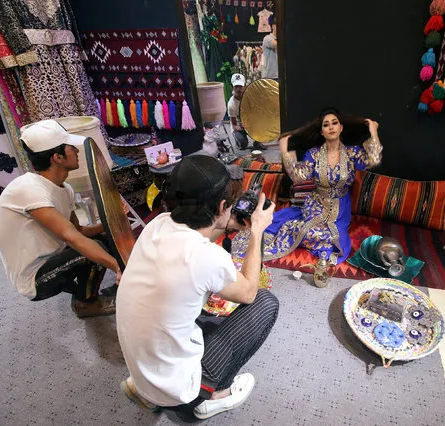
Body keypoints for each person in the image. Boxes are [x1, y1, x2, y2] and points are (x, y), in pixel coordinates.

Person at [116, 155, 279, 419]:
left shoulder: (156, 225)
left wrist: (229, 223)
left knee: (195, 309)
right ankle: (214, 396)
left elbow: (197, 239)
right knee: (265, 303)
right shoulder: (208, 258)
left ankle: (148, 392)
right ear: (223, 205)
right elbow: (249, 292)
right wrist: (256, 230)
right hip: (178, 390)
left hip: (141, 373)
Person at [233, 108, 382, 288]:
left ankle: (312, 239)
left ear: (341, 127)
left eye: (334, 123)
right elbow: (298, 176)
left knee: (334, 239)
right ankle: (296, 234)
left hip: (340, 208)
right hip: (316, 204)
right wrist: (283, 148)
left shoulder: (351, 153)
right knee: (306, 230)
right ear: (321, 131)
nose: (331, 127)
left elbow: (373, 160)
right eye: (326, 125)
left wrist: (373, 130)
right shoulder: (313, 154)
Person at [0, 119, 121, 317]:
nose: (77, 151)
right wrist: (116, 267)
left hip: (53, 257)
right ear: (57, 157)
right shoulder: (29, 190)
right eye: (71, 147)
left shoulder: (64, 189)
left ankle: (89, 292)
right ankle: (86, 303)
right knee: (90, 251)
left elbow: (80, 231)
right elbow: (72, 238)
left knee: (102, 240)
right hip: (34, 277)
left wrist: (112, 221)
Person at [227, 73, 266, 151]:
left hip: (250, 124)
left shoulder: (250, 98)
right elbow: (234, 125)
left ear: (245, 86)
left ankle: (257, 142)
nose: (239, 89)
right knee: (243, 144)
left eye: (241, 86)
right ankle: (239, 141)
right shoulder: (231, 104)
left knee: (262, 123)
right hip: (239, 127)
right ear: (232, 87)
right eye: (236, 86)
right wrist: (240, 127)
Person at [261, 15, 278, 80]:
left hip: (279, 75)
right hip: (269, 76)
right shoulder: (267, 38)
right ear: (273, 26)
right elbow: (276, 45)